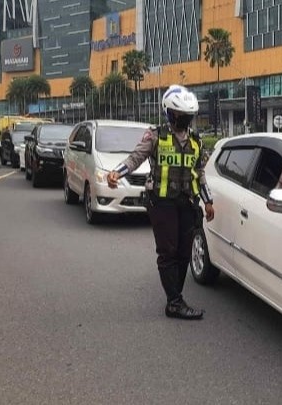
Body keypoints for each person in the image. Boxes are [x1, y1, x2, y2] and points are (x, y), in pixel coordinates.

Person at [106, 85, 214, 320]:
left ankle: (176, 297)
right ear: (170, 113)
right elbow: (136, 158)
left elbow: (200, 173)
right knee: (168, 251)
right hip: (162, 203)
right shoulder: (155, 135)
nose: (184, 120)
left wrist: (208, 201)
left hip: (187, 202)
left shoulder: (196, 141)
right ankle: (174, 302)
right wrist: (117, 172)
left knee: (184, 252)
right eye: (180, 116)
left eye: (188, 116)